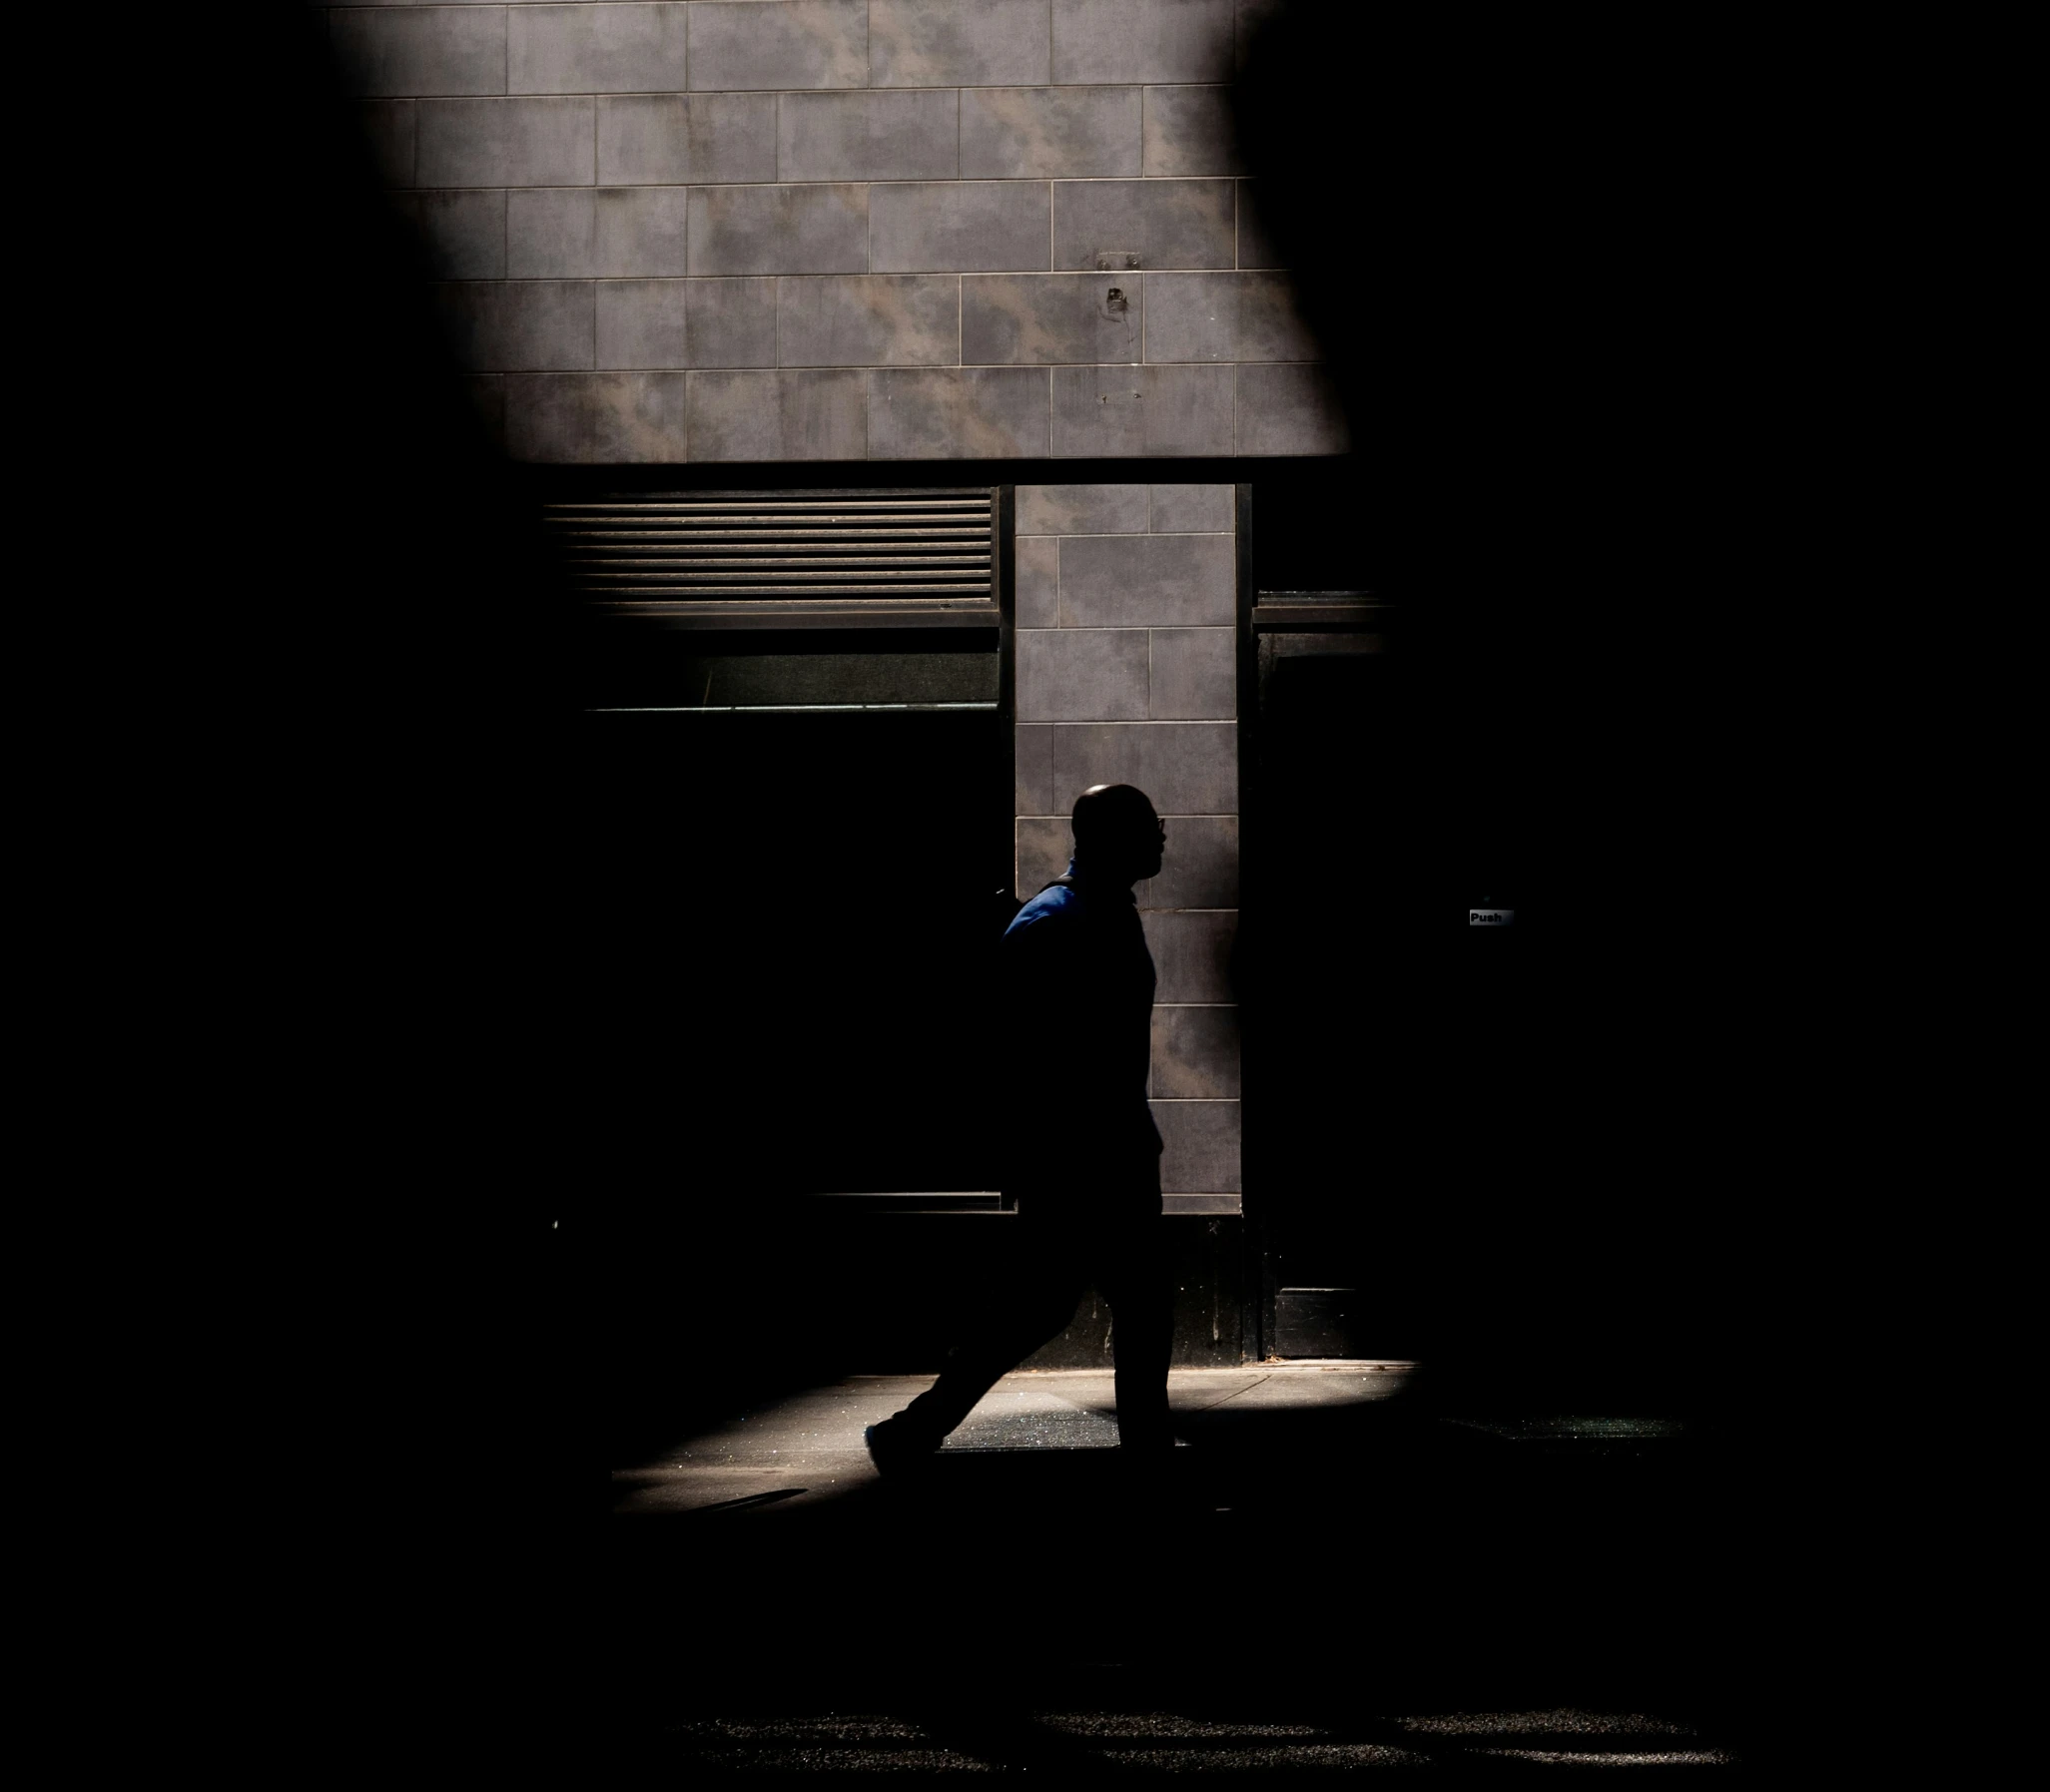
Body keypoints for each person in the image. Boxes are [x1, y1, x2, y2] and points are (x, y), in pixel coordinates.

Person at [865, 784, 1175, 1471]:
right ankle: (1146, 1453)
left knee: (1044, 1309)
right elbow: (1007, 1055)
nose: (1162, 837)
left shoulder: (1101, 913)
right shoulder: (1052, 924)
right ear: (1111, 836)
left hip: (1106, 1150)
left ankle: (913, 1429)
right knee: (1114, 1305)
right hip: (1081, 1157)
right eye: (1151, 825)